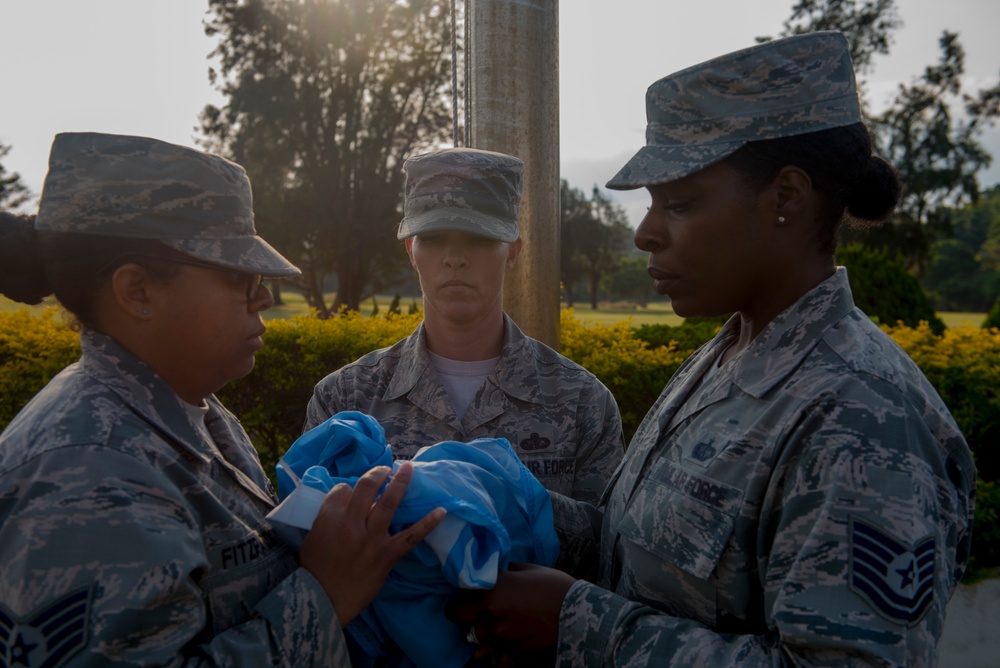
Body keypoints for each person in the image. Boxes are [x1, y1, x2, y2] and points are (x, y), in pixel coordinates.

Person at [446, 32, 977, 666]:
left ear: (785, 197)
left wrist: (576, 624)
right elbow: (643, 552)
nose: (645, 233)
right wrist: (517, 504)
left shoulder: (862, 416)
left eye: (680, 203)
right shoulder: (726, 358)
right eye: (652, 205)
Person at [0, 132, 444, 666]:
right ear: (137, 291)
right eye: (238, 275)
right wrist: (325, 595)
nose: (265, 296)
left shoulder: (195, 411)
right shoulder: (86, 474)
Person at [304, 147, 624, 505]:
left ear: (513, 251)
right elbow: (314, 539)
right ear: (411, 250)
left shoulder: (583, 403)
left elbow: (606, 547)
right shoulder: (346, 400)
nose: (455, 259)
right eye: (435, 238)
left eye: (479, 238)